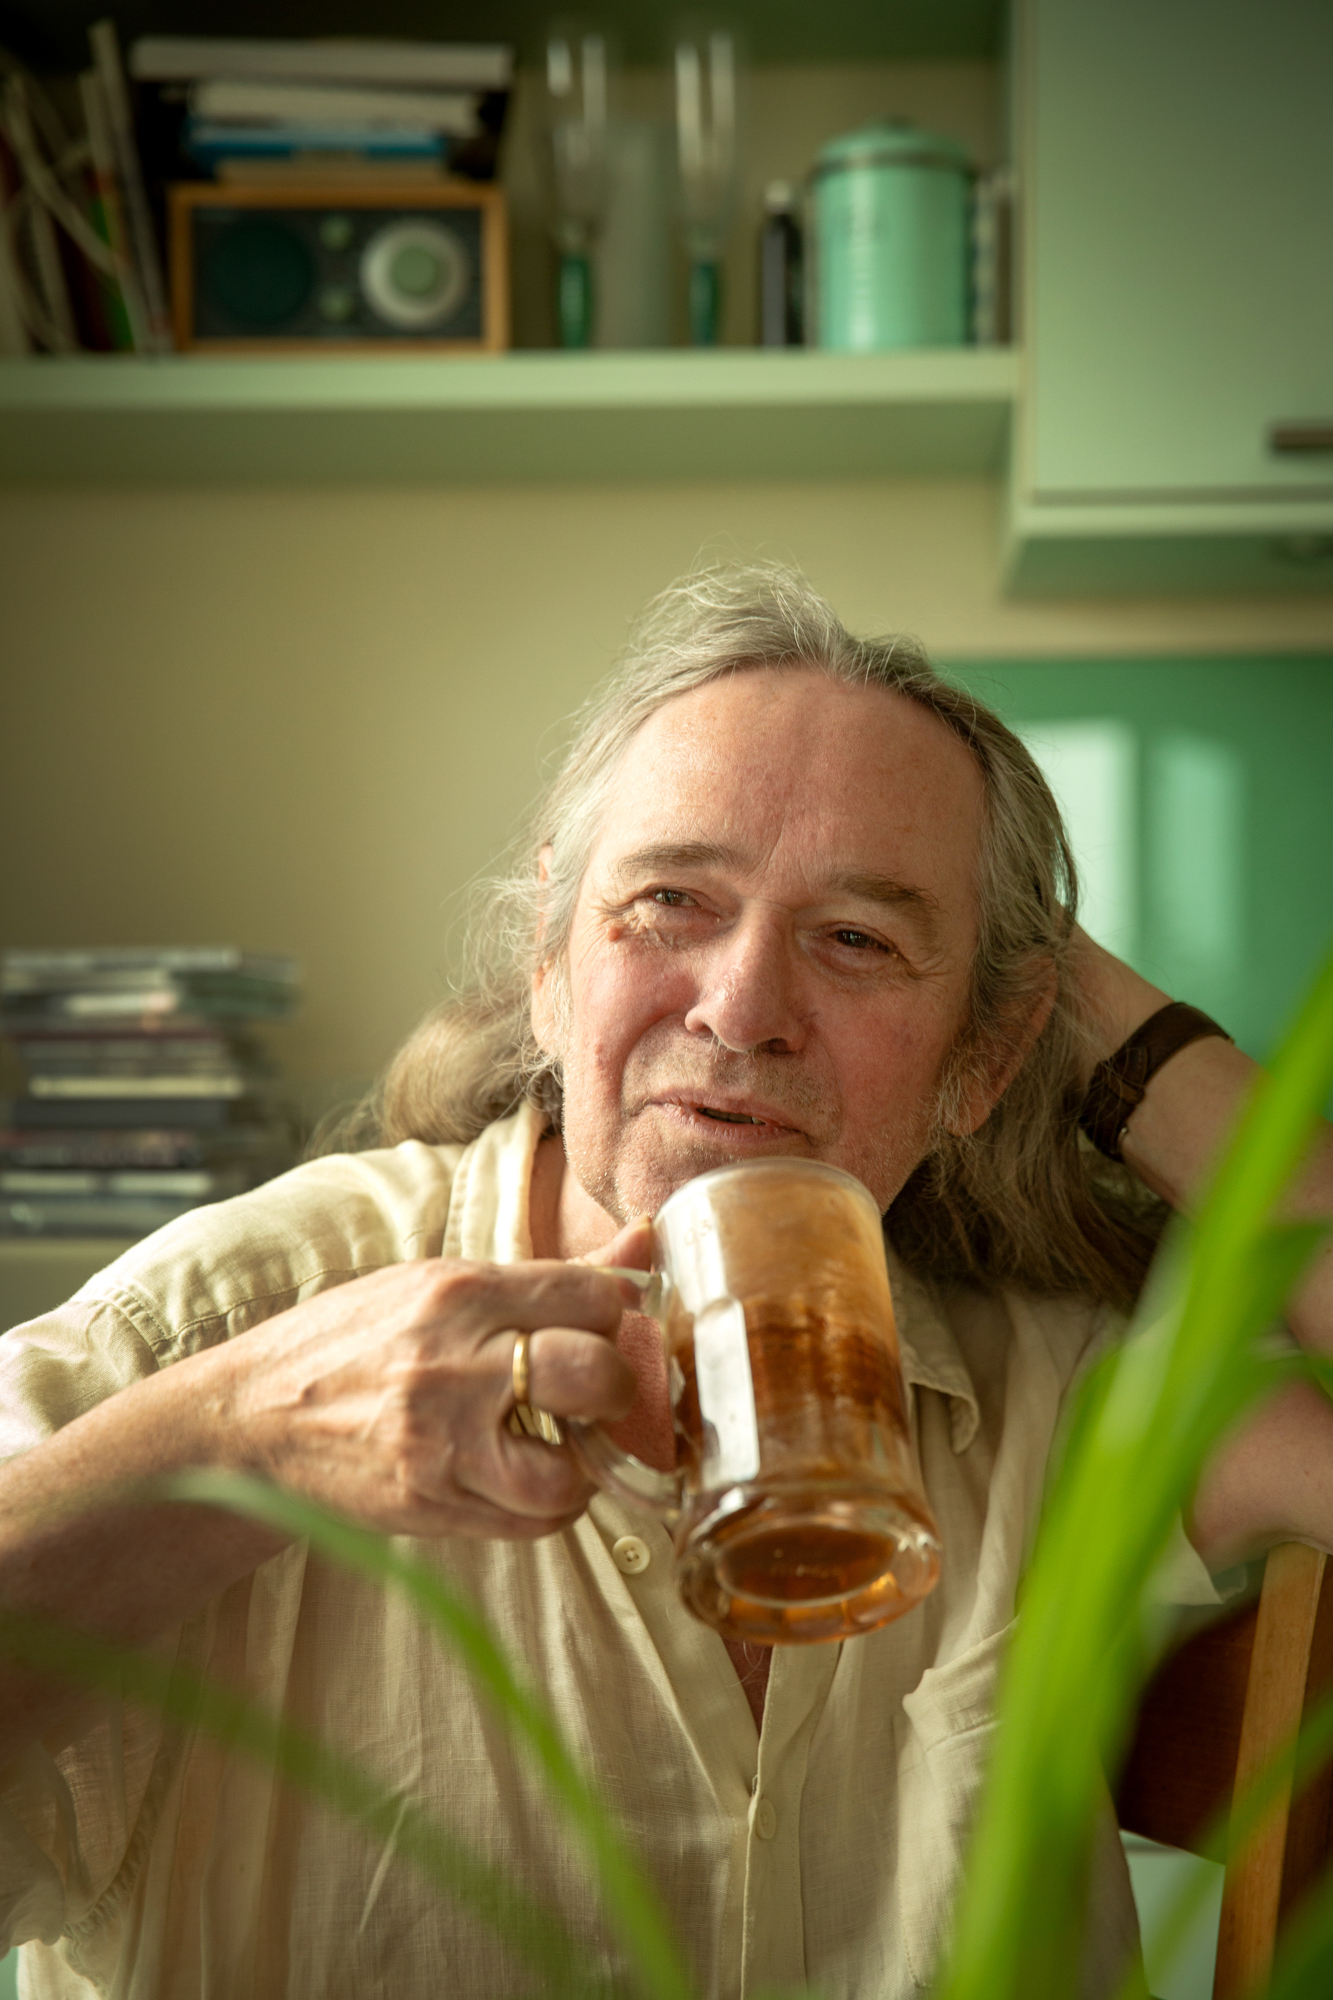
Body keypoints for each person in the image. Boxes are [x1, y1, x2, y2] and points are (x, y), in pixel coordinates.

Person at [1, 566, 1330, 2000]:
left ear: (985, 1061)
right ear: (551, 972)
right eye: (667, 901)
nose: (743, 1009)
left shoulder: (1048, 1398)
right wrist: (237, 1434)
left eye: (858, 941)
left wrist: (1108, 1030)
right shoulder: (228, 1322)